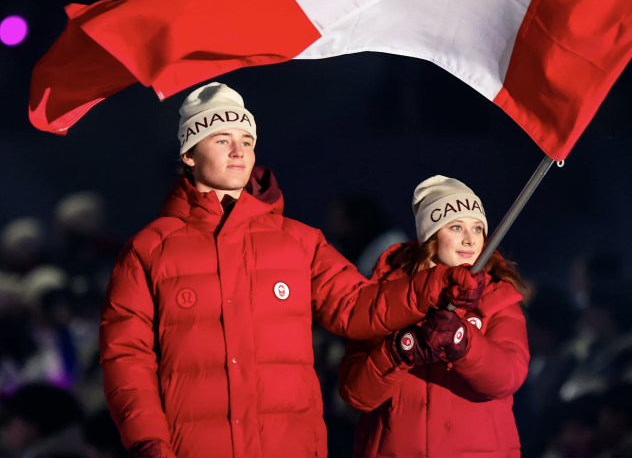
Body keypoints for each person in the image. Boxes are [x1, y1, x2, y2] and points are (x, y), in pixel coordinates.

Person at [99, 84, 483, 458]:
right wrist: (146, 441)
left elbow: (358, 306)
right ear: (188, 154)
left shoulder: (299, 242)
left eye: (246, 141)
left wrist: (438, 285)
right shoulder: (148, 250)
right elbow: (126, 356)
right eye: (221, 140)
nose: (239, 152)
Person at [339, 175, 531, 458]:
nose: (470, 238)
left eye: (478, 229)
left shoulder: (498, 296)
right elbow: (355, 393)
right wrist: (398, 351)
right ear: (431, 235)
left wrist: (463, 343)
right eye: (456, 227)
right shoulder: (386, 295)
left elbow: (508, 377)